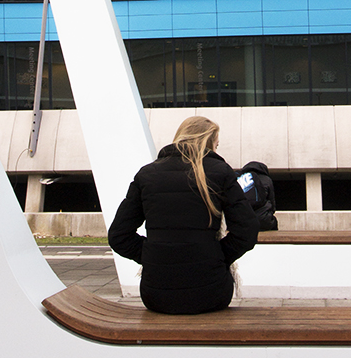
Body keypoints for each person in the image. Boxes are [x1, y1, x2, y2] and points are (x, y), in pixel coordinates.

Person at [108, 116, 260, 315]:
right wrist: (218, 257)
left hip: (157, 295)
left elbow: (119, 235)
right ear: (209, 143)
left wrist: (151, 256)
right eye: (216, 144)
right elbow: (247, 231)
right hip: (211, 292)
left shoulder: (146, 175)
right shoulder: (221, 172)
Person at [236, 160, 278, 231]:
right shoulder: (267, 179)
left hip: (243, 221)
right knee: (274, 223)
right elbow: (272, 204)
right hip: (263, 220)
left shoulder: (242, 179)